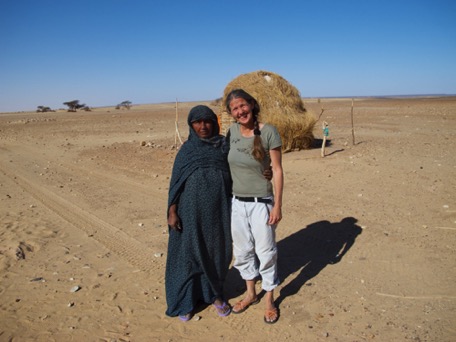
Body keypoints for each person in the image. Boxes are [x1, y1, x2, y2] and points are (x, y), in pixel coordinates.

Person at [165, 105, 232, 321]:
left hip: (219, 211)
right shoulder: (187, 150)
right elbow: (176, 184)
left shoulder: (223, 146)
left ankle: (214, 295)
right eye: (197, 122)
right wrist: (172, 211)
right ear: (191, 125)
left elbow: (240, 169)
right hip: (190, 213)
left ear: (214, 123)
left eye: (207, 121)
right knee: (189, 256)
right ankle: (187, 300)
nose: (203, 126)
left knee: (216, 254)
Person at [225, 89, 284, 324]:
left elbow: (277, 170)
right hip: (237, 203)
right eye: (235, 109)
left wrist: (277, 205)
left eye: (243, 106)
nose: (240, 111)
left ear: (251, 104)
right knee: (242, 252)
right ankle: (251, 293)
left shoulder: (269, 131)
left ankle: (269, 298)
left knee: (266, 252)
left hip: (262, 203)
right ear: (231, 113)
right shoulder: (231, 132)